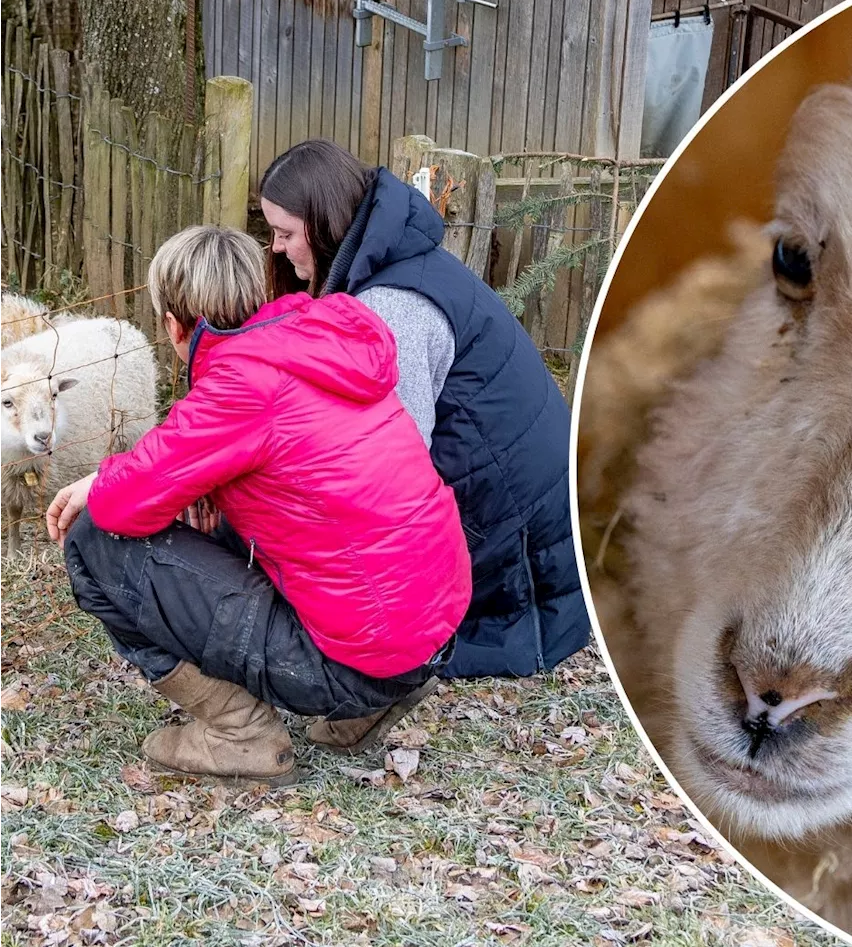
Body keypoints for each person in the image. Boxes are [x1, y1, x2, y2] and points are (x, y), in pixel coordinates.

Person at [47, 225, 472, 783]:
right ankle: (372, 704)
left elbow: (124, 506)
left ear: (175, 325)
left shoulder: (240, 386)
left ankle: (240, 736)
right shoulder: (317, 340)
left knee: (93, 538)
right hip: (430, 628)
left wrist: (98, 481)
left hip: (362, 656)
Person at [258, 139, 590, 680]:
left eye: (286, 233)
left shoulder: (391, 309)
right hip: (531, 524)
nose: (275, 248)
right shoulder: (404, 264)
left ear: (325, 226)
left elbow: (394, 468)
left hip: (522, 565)